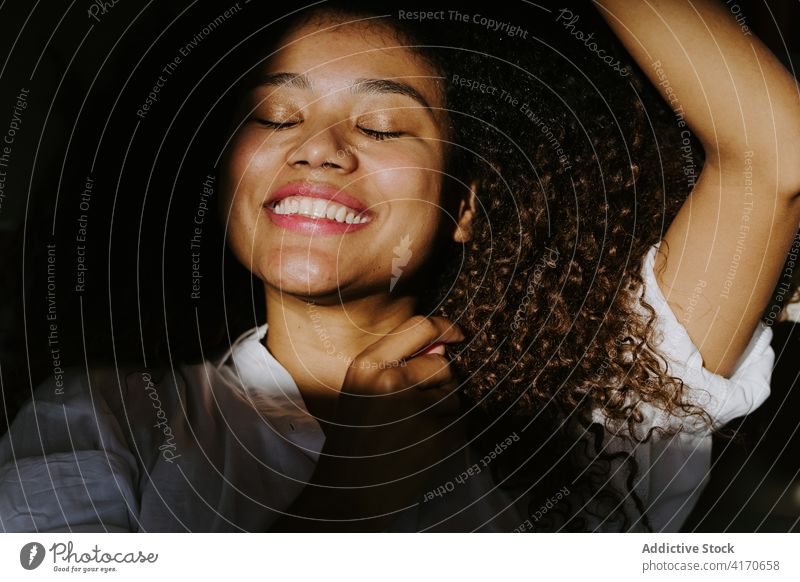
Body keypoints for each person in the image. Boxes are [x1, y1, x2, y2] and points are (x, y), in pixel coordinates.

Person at [1, 0, 797, 532]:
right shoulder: (105, 423)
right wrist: (358, 481)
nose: (317, 147)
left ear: (467, 208)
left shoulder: (597, 406)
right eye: (277, 116)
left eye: (382, 127)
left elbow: (776, 152)